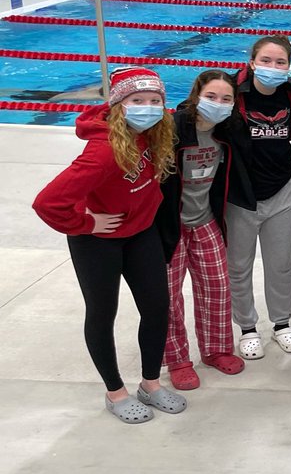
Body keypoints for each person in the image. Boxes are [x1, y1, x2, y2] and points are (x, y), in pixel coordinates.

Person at [32, 67, 185, 424]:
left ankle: (150, 383)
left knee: (157, 308)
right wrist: (87, 222)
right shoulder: (102, 152)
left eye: (154, 101)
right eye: (137, 101)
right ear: (119, 105)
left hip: (140, 234)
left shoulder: (155, 135)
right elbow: (47, 202)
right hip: (97, 243)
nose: (147, 107)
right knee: (103, 314)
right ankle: (115, 392)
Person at [156, 70, 251, 391]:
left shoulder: (228, 132)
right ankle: (178, 360)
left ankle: (216, 349)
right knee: (168, 298)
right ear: (196, 96)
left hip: (206, 220)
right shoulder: (171, 129)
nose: (218, 104)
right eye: (211, 97)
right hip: (170, 225)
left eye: (226, 99)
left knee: (217, 288)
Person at [226, 35, 291, 359]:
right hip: (240, 195)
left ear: (288, 65)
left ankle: (282, 324)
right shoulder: (229, 92)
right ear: (252, 61)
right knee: (239, 266)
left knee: (281, 264)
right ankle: (247, 328)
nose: (273, 67)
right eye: (267, 61)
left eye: (280, 62)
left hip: (282, 190)